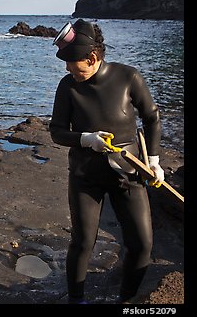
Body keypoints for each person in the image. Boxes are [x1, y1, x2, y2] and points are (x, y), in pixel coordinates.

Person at [49, 19, 165, 304]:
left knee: (142, 245)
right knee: (83, 242)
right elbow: (57, 132)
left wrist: (153, 161)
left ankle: (126, 300)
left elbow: (151, 118)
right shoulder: (68, 87)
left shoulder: (128, 77)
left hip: (128, 174)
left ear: (92, 57)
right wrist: (87, 139)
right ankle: (77, 300)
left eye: (72, 63)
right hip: (85, 176)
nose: (67, 69)